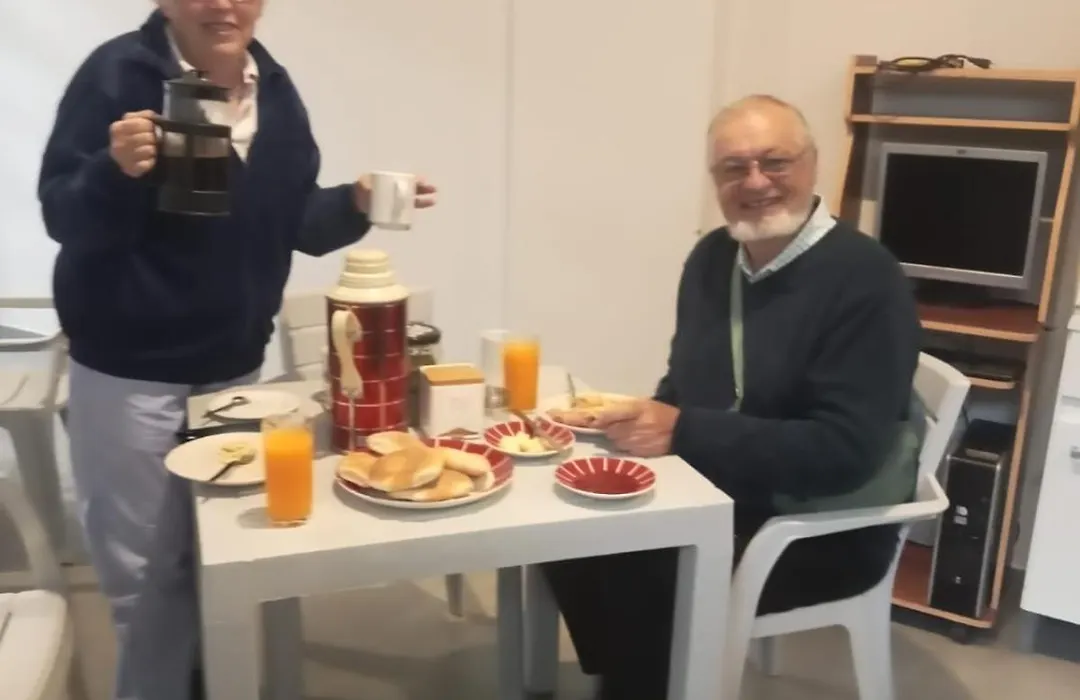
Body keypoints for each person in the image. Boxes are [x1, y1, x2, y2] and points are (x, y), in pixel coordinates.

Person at [37, 3, 436, 700]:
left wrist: (355, 200)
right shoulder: (118, 74)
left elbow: (292, 219)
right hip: (133, 374)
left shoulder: (272, 87)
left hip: (235, 371)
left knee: (225, 560)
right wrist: (113, 170)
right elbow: (62, 213)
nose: (223, 4)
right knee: (147, 583)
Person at [540, 95, 923, 699]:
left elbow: (845, 451)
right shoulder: (713, 258)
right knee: (565, 521)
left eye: (775, 162)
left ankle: (641, 679)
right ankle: (636, 675)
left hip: (816, 526)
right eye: (733, 168)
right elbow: (684, 385)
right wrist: (637, 424)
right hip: (718, 488)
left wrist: (683, 430)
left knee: (637, 567)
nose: (756, 182)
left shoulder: (866, 279)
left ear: (812, 164)